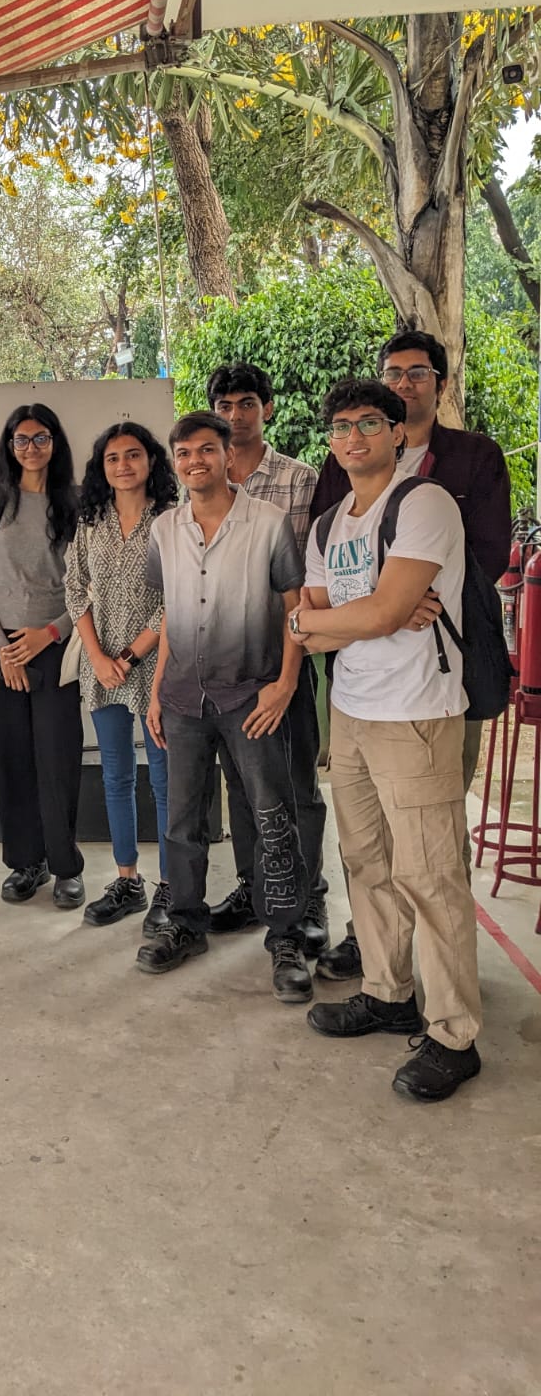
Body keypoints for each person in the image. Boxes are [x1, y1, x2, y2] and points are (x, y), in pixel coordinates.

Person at [294, 378, 482, 1101]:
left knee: (430, 876)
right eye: (341, 426)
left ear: (397, 432)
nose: (354, 437)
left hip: (415, 713)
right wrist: (354, 615)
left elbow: (371, 614)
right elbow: (316, 625)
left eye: (370, 422)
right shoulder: (328, 524)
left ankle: (454, 1035)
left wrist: (357, 615)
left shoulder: (423, 503)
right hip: (352, 711)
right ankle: (387, 991)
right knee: (366, 863)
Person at [310, 328, 511, 981]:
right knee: (367, 857)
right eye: (393, 372)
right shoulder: (336, 493)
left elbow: (487, 554)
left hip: (433, 682)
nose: (404, 381)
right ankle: (384, 978)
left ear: (436, 385)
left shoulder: (465, 464)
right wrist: (377, 603)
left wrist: (417, 595)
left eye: (417, 372)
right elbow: (323, 599)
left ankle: (450, 1012)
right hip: (356, 698)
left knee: (431, 858)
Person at [138, 412, 312, 1002]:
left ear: (227, 456)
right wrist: (157, 691)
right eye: (184, 453)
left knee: (270, 816)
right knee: (182, 822)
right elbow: (170, 613)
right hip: (183, 699)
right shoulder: (164, 530)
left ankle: (285, 936)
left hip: (251, 695)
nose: (195, 462)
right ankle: (186, 924)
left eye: (206, 450)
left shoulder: (267, 523)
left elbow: (294, 606)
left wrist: (285, 684)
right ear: (176, 462)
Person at [203, 363, 330, 957]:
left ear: (267, 409)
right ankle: (255, 889)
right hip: (223, 665)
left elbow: (306, 581)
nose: (236, 416)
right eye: (225, 406)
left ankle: (308, 897)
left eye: (247, 403)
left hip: (284, 656)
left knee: (297, 784)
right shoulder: (200, 478)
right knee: (240, 783)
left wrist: (288, 669)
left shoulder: (300, 480)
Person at [0, 402, 84, 908]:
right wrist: (4, 652)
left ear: (55, 443)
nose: (31, 448)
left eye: (41, 438)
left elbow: (88, 585)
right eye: (21, 439)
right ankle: (25, 863)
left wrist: (50, 633)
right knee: (13, 757)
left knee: (58, 757)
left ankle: (66, 866)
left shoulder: (77, 502)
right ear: (9, 446)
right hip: (1, 648)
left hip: (57, 645)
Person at [65, 423, 176, 936]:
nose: (123, 465)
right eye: (112, 458)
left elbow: (175, 598)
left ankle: (172, 886)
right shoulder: (91, 521)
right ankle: (127, 880)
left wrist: (129, 657)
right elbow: (75, 588)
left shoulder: (171, 519)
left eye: (133, 455)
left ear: (151, 461)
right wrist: (97, 655)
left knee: (164, 779)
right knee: (116, 775)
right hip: (101, 666)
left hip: (155, 664)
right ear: (101, 468)